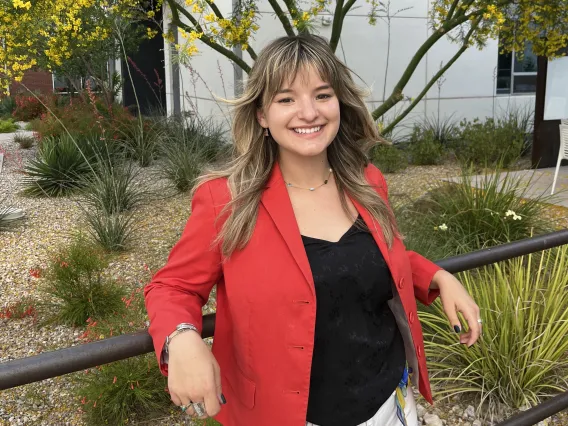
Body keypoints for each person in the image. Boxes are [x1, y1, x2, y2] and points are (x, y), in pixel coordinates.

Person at [144, 34, 481, 426]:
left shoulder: (367, 182)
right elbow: (172, 287)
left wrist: (438, 276)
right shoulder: (227, 200)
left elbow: (374, 255)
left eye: (322, 95)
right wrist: (182, 338)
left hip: (389, 403)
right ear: (261, 114)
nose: (309, 112)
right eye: (286, 99)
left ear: (339, 102)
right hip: (288, 415)